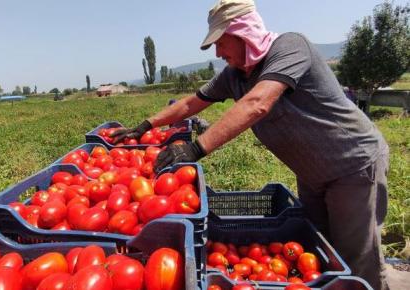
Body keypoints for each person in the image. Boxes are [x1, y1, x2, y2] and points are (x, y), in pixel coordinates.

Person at [110, 1, 389, 289]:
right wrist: (146, 125)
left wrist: (196, 148)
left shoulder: (291, 47)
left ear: (244, 32)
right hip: (312, 173)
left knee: (358, 259)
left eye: (221, 42)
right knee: (323, 250)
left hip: (352, 163)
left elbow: (258, 103)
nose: (218, 53)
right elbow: (192, 102)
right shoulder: (235, 75)